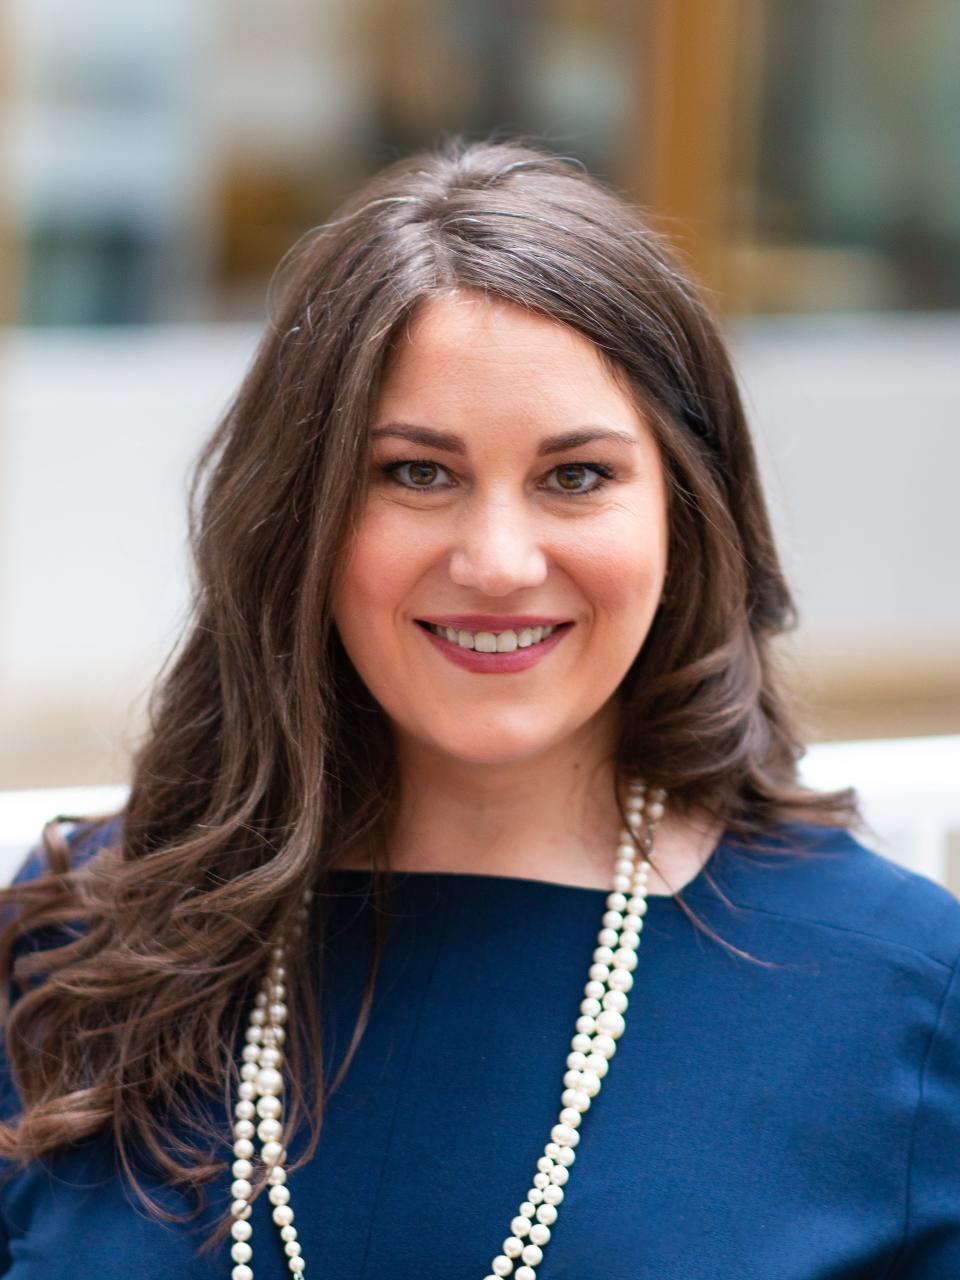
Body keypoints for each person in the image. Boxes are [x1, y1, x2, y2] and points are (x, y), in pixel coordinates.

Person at [0, 136, 957, 1280]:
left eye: (575, 476)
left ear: (684, 516)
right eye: (415, 471)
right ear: (295, 516)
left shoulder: (899, 993)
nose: (498, 561)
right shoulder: (74, 951)